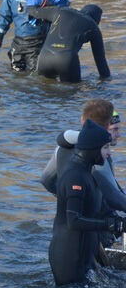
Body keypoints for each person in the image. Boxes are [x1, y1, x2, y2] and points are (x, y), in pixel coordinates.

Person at [40, 101, 124, 255]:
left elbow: (47, 180)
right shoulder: (97, 156)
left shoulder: (62, 147)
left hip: (67, 232)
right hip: (95, 228)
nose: (119, 134)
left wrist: (71, 198)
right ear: (103, 129)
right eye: (114, 129)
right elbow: (114, 197)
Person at [49, 119, 125, 285]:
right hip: (68, 259)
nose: (109, 153)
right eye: (105, 147)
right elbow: (74, 221)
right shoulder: (74, 176)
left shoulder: (89, 174)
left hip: (86, 256)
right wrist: (111, 225)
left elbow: (100, 209)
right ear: (92, 149)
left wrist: (120, 222)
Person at [24, 2, 110, 82]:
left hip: (45, 57)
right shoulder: (93, 27)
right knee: (69, 93)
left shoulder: (61, 11)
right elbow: (100, 61)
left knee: (44, 89)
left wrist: (34, 3)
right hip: (66, 60)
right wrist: (107, 81)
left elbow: (34, 11)